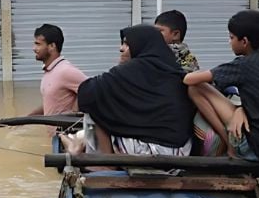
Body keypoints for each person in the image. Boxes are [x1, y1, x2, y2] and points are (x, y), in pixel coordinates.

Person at [184, 10, 259, 163]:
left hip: (258, 152)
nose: (229, 42)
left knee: (196, 88)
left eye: (231, 37)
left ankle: (229, 143)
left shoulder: (243, 65)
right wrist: (241, 109)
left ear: (244, 42)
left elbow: (189, 79)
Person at [75, 24, 195, 156]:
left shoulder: (130, 71)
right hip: (179, 152)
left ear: (140, 45)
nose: (121, 49)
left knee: (97, 101)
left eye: (127, 44)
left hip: (147, 152)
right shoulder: (173, 70)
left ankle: (102, 161)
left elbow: (85, 94)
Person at [28, 24, 87, 120]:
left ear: (52, 46)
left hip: (64, 134)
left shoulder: (65, 71)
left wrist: (75, 112)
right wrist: (26, 119)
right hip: (53, 134)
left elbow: (93, 90)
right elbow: (50, 105)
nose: (34, 49)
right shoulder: (49, 71)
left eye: (38, 44)